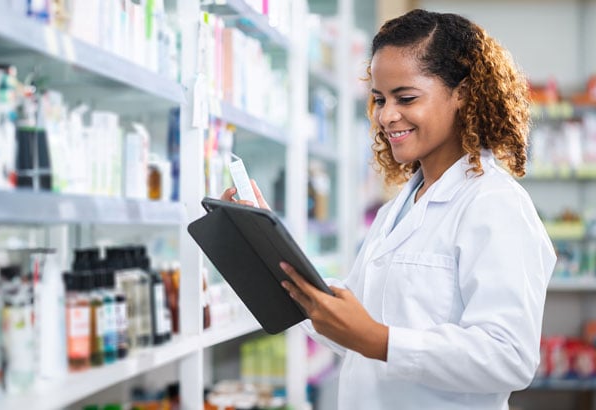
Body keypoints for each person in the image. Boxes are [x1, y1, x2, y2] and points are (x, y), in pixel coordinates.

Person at [221, 9, 556, 410]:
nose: (386, 116)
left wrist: (380, 341)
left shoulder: (495, 204)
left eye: (406, 98)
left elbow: (509, 357)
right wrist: (265, 243)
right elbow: (350, 325)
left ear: (463, 94)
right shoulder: (397, 209)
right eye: (380, 99)